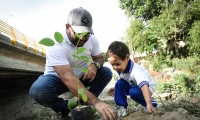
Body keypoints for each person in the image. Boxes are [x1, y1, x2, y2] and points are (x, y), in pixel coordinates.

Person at [29, 7, 116, 120]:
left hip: (81, 76)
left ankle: (84, 104)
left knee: (106, 72)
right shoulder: (57, 44)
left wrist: (95, 65)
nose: (83, 39)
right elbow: (68, 78)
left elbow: (99, 58)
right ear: (67, 27)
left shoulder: (92, 39)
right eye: (79, 34)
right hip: (58, 80)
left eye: (87, 34)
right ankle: (66, 108)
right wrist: (97, 102)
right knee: (38, 90)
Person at [106, 41, 157, 117]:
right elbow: (126, 81)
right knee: (119, 84)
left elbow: (144, 86)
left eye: (117, 64)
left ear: (127, 57)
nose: (115, 67)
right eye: (112, 65)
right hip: (134, 85)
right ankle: (121, 107)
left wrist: (149, 103)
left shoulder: (136, 71)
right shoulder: (122, 69)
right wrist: (117, 89)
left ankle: (151, 105)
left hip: (147, 87)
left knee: (133, 92)